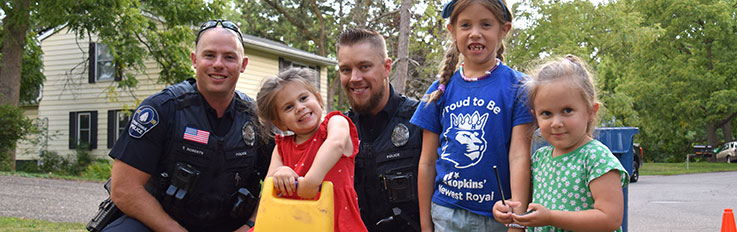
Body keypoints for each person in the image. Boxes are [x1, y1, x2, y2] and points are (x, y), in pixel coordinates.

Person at [103, 19, 272, 232]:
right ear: (194, 60)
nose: (218, 64)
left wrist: (250, 226)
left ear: (243, 64)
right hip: (161, 225)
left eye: (229, 57)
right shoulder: (162, 109)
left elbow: (280, 186)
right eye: (209, 55)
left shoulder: (257, 119)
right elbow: (123, 189)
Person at [409, 0, 533, 231]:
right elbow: (426, 162)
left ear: (503, 30)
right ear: (452, 31)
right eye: (465, 25)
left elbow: (519, 157)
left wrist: (517, 221)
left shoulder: (520, 88)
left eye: (486, 24)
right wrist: (426, 225)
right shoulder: (439, 92)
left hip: (498, 218)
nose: (475, 33)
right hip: (445, 214)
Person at [493, 55, 629, 231]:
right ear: (535, 117)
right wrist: (508, 210)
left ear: (590, 112)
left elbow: (610, 218)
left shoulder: (596, 157)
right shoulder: (540, 159)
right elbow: (527, 206)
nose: (556, 123)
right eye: (546, 114)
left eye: (567, 110)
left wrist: (551, 217)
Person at [254, 68, 367, 232]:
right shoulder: (281, 148)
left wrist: (311, 182)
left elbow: (335, 144)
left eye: (303, 98)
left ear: (319, 99)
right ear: (280, 123)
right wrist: (281, 172)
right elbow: (270, 185)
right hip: (293, 223)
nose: (299, 107)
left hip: (337, 223)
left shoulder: (335, 123)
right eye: (288, 107)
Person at [337, 28, 423, 231]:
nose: (354, 78)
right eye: (346, 70)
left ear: (386, 68)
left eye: (364, 67)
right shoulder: (337, 132)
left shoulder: (420, 121)